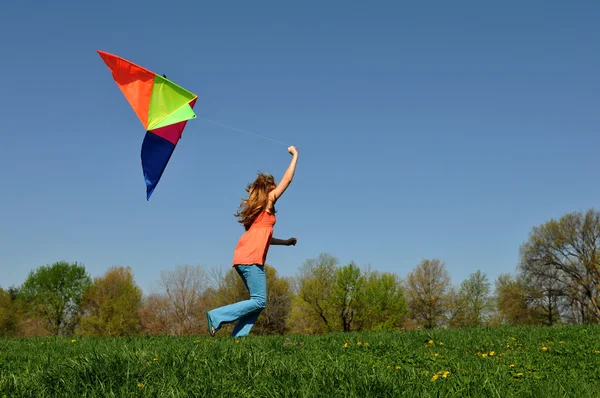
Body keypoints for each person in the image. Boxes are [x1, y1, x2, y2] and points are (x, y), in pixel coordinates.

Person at [206, 145, 299, 338]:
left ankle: (238, 338)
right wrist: (295, 155)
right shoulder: (268, 202)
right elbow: (288, 179)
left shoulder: (257, 212)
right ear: (269, 189)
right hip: (251, 259)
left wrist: (286, 242)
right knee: (258, 300)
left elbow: (265, 238)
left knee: (258, 301)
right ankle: (216, 316)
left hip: (244, 257)